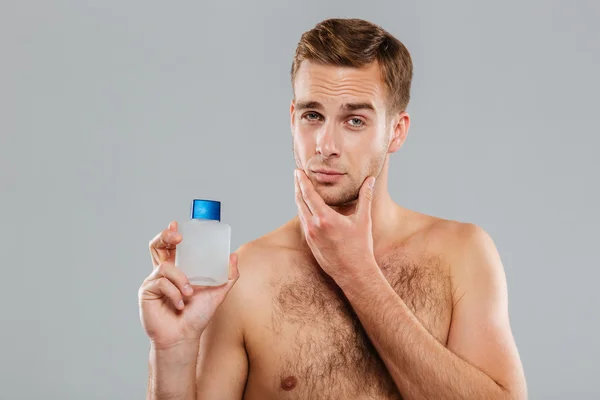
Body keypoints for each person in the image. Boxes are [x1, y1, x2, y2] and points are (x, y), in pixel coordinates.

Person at [138, 18, 528, 400]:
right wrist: (172, 350)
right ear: (293, 120)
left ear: (397, 131)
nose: (326, 144)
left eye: (354, 120)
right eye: (312, 115)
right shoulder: (245, 277)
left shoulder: (461, 254)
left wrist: (359, 275)